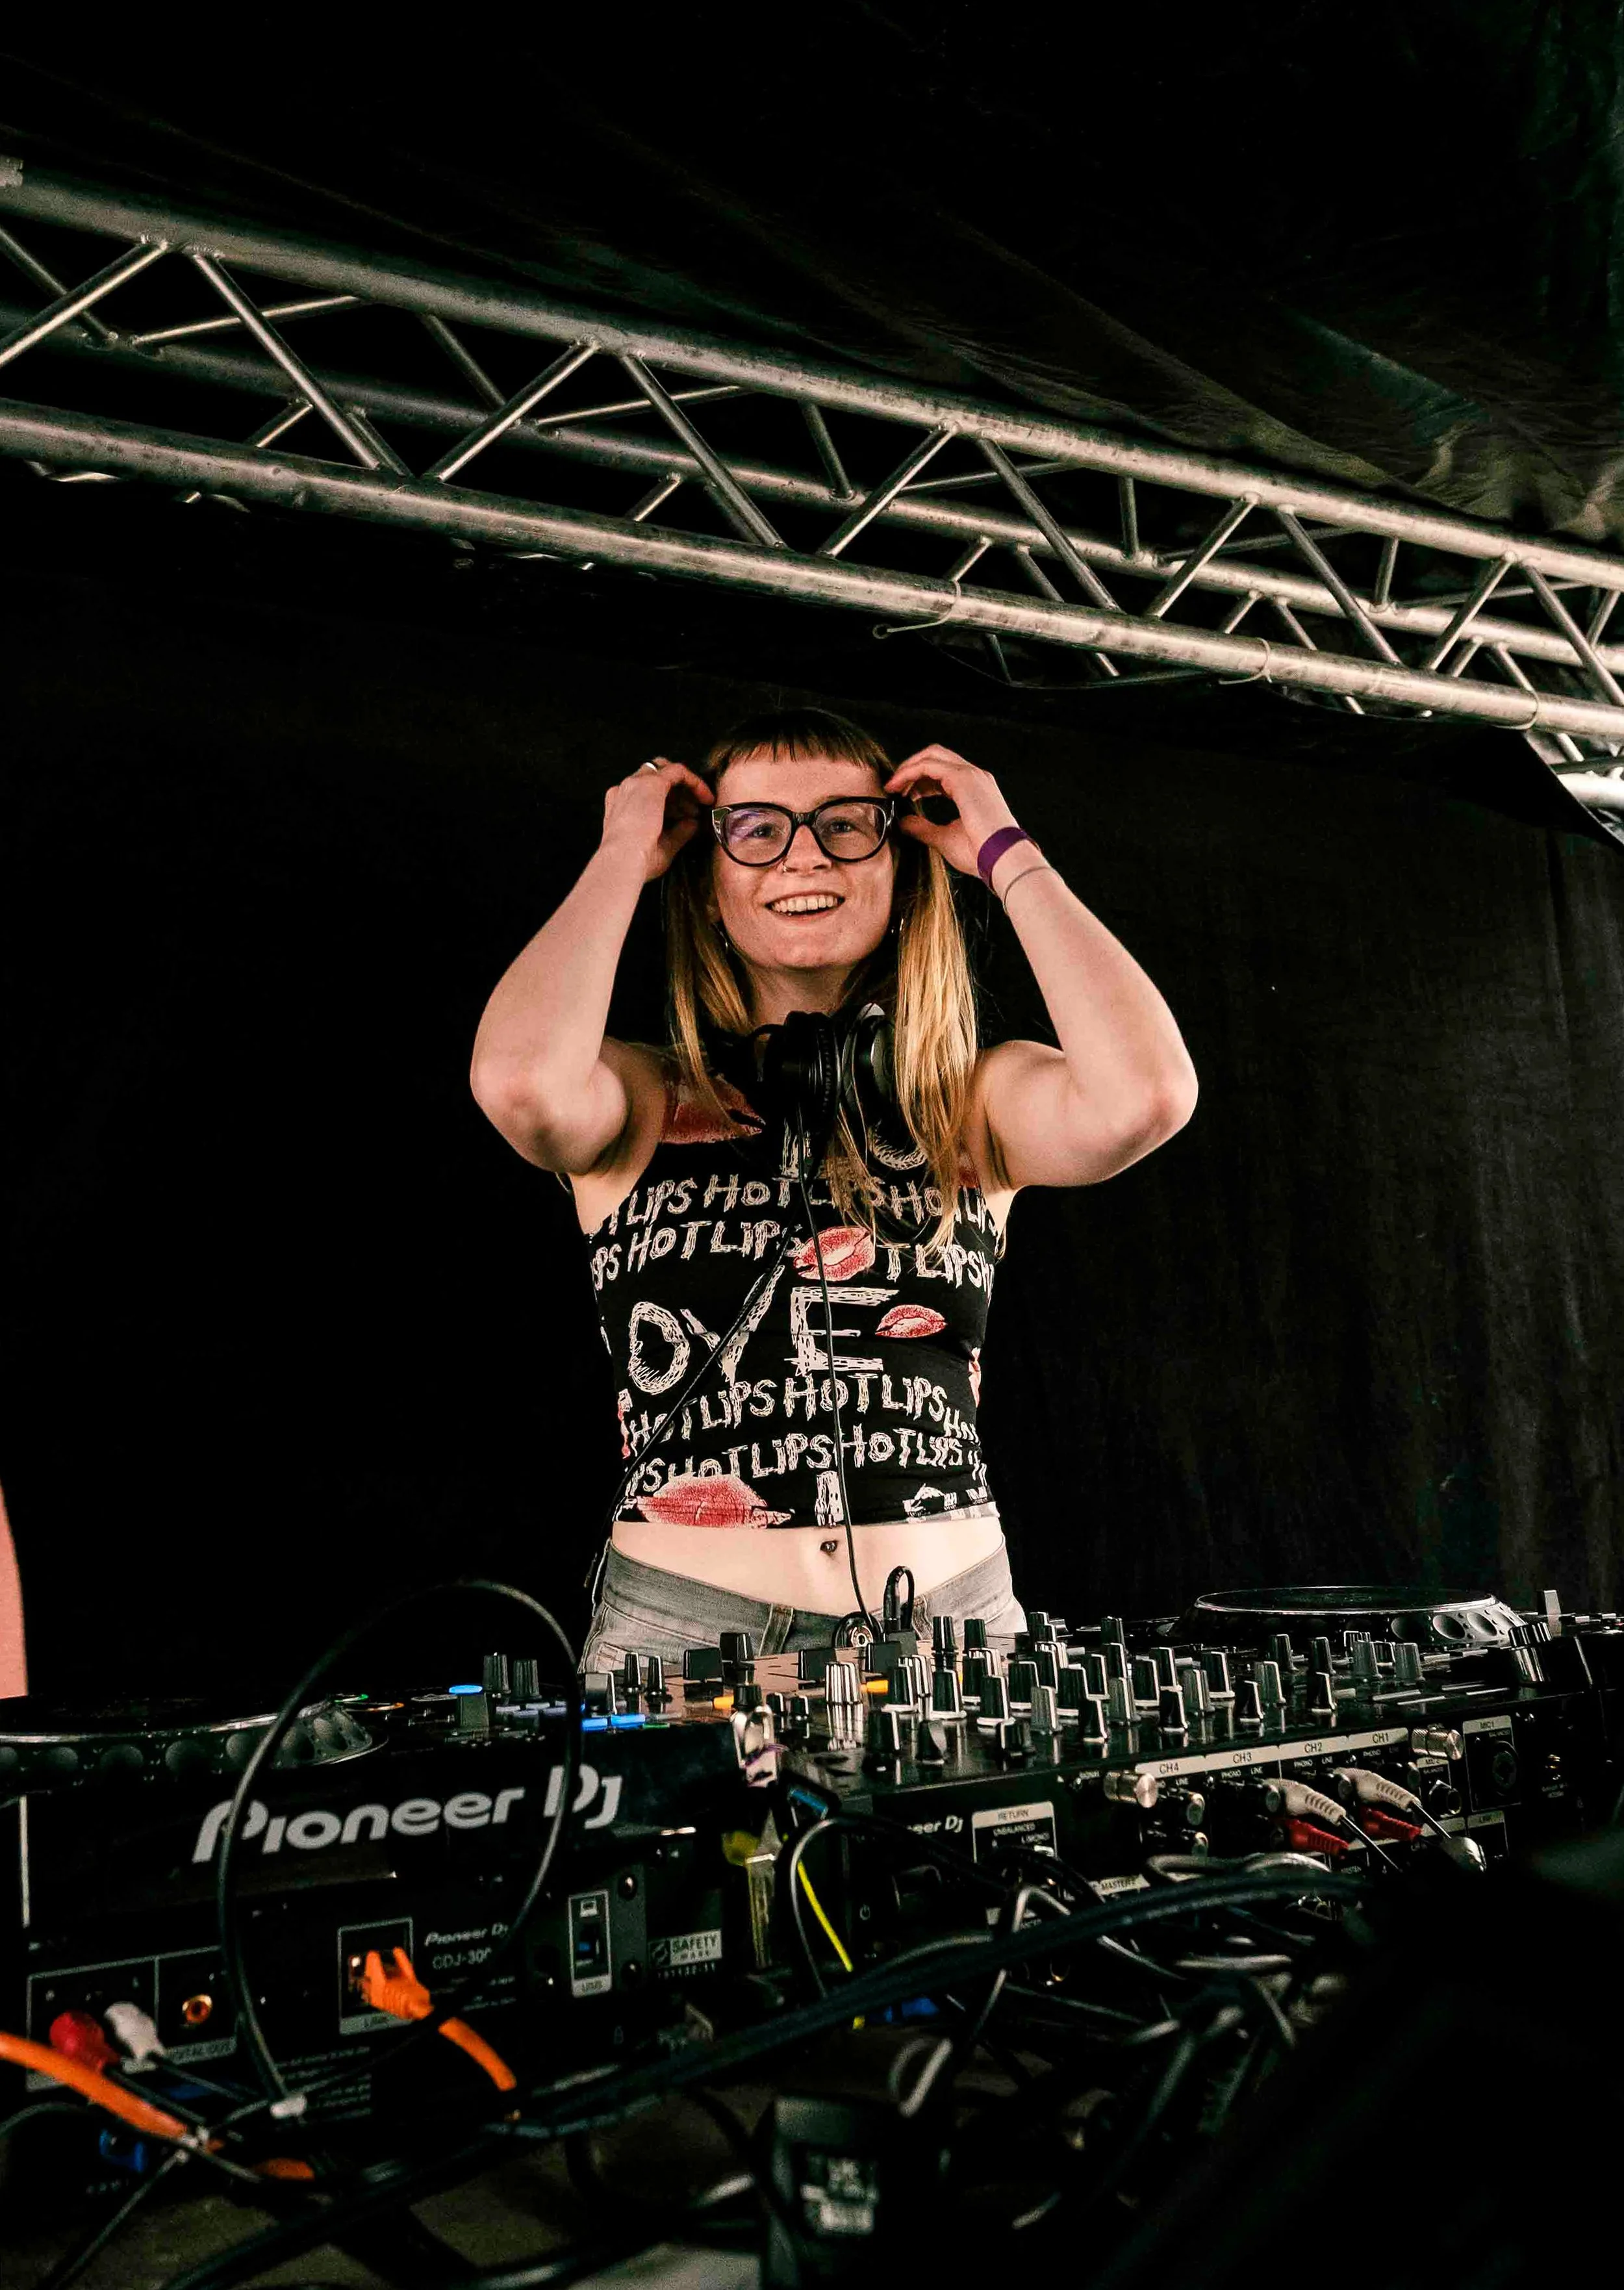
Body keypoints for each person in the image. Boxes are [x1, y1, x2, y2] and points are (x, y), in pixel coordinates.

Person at [470, 707, 1197, 1667]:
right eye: (757, 829)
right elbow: (520, 1084)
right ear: (708, 884)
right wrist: (619, 859)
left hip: (956, 1627)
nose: (804, 856)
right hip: (686, 1636)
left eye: (846, 824)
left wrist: (1005, 848)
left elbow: (1146, 1097)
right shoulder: (640, 1098)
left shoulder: (971, 1102)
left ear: (902, 869)